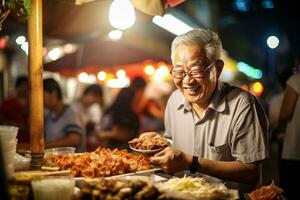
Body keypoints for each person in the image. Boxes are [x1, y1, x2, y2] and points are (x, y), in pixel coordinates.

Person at [140, 28, 269, 192]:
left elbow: (251, 172)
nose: (187, 80)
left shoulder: (243, 105)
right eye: (179, 71)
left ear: (218, 68)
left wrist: (191, 162)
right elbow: (173, 143)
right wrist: (156, 143)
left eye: (196, 70)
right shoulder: (174, 100)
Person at [96, 76, 146, 149]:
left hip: (116, 146)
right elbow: (119, 133)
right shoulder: (125, 108)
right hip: (118, 148)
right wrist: (104, 134)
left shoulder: (125, 93)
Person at [275, 69, 300, 199]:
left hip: (293, 150)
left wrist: (279, 130)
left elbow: (285, 113)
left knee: (289, 192)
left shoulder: (296, 80)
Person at [43, 78, 83, 152]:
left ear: (54, 93)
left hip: (67, 159)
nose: (41, 100)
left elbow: (75, 140)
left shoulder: (70, 112)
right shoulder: (49, 115)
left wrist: (45, 145)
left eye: (43, 96)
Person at [71, 84, 104, 151]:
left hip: (81, 148)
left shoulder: (88, 109)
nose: (94, 103)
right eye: (95, 99)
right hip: (73, 148)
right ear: (90, 94)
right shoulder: (74, 108)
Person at [0, 76, 29, 148]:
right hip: (10, 142)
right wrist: (11, 125)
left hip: (27, 143)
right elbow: (1, 120)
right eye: (22, 86)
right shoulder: (8, 103)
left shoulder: (33, 105)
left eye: (26, 86)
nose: (24, 89)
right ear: (17, 87)